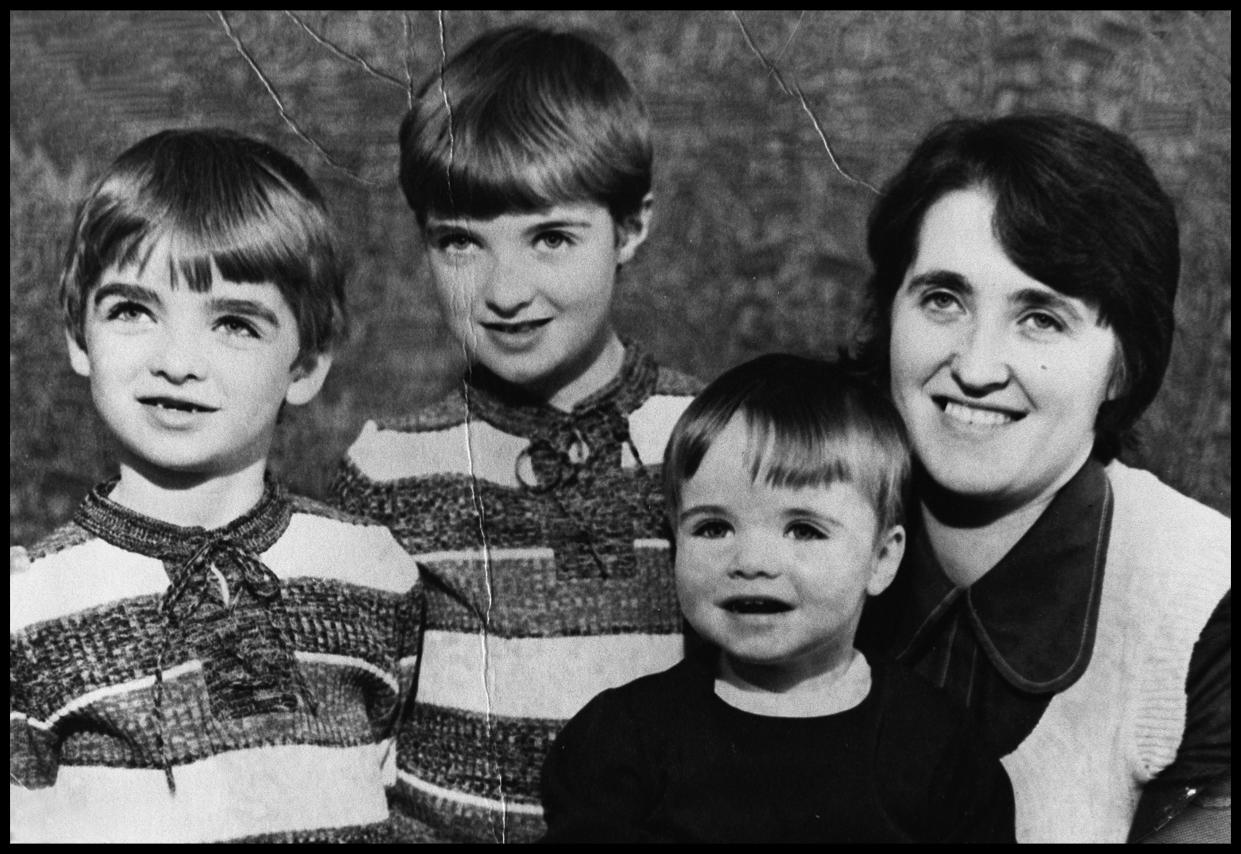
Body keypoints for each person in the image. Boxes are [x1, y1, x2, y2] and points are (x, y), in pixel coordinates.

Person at [329, 25, 701, 843]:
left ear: (631, 228)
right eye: (460, 242)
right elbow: (351, 733)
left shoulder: (708, 438)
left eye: (551, 238)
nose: (504, 290)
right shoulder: (388, 465)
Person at [9, 129, 422, 843]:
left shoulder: (371, 569)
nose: (177, 362)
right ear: (79, 334)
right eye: (133, 310)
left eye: (233, 323)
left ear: (307, 365)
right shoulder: (32, 604)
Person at [853, 112, 1231, 843]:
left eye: (1040, 319)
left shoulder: (1208, 601)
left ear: (1123, 363)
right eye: (942, 299)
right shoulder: (789, 527)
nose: (975, 366)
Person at [539, 354, 1016, 842]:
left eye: (803, 530)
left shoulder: (939, 750)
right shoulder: (626, 739)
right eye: (713, 527)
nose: (751, 561)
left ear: (881, 559)